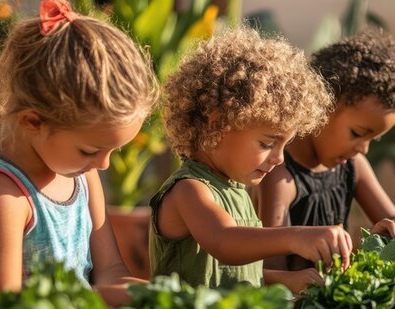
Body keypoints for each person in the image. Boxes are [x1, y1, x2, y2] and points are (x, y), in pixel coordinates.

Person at [0, 0, 157, 305]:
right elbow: (2, 308)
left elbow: (110, 272)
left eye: (113, 151)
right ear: (33, 121)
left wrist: (157, 298)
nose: (102, 165)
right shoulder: (1, 193)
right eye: (90, 150)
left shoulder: (83, 177)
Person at [149, 28, 350, 294]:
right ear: (217, 124)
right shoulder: (189, 190)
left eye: (284, 145)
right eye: (267, 143)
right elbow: (225, 242)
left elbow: (234, 275)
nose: (279, 158)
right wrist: (295, 236)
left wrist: (286, 280)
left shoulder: (237, 189)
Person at [255, 30, 395, 271]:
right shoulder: (281, 176)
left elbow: (393, 220)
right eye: (357, 133)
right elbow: (273, 269)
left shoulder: (353, 166)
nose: (363, 149)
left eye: (374, 138)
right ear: (322, 106)